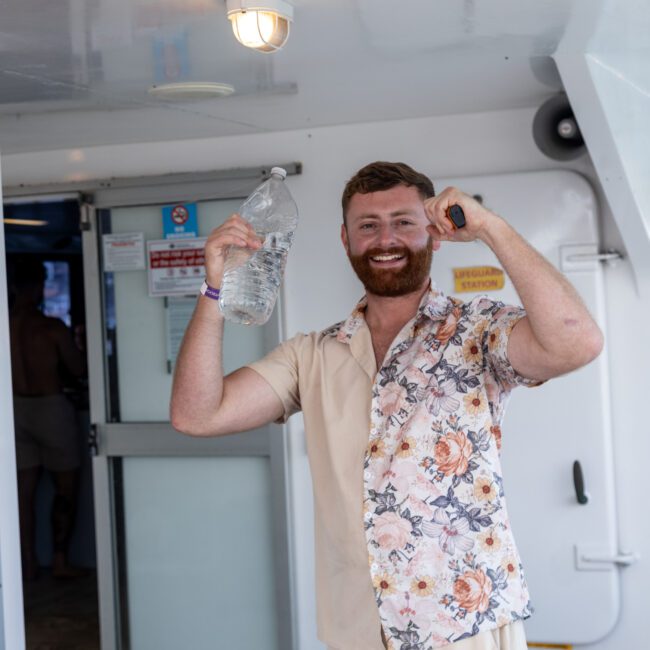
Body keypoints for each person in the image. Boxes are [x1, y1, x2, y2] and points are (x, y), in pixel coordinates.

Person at [170, 162, 603, 650]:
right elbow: (197, 415)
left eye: (403, 222)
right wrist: (214, 287)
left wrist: (491, 229)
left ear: (435, 234)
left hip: (463, 627)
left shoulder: (477, 331)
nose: (385, 239)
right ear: (346, 239)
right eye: (368, 226)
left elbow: (576, 343)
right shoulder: (311, 354)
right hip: (357, 629)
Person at [9, 259, 86, 580]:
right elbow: (80, 370)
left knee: (22, 494)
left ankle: (25, 564)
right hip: (50, 407)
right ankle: (59, 560)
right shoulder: (50, 328)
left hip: (15, 409)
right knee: (65, 488)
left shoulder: (5, 326)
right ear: (38, 285)